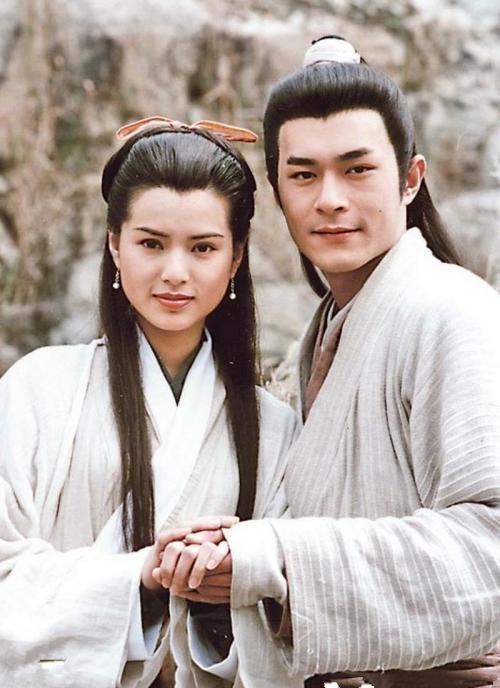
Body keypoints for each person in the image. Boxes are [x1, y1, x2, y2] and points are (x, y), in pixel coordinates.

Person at [157, 37, 500, 687]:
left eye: (357, 169)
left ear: (410, 178)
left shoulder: (453, 311)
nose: (330, 199)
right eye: (304, 174)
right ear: (277, 192)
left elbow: (491, 545)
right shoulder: (323, 337)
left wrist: (274, 556)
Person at [0, 118, 297, 687]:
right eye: (151, 244)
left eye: (203, 247)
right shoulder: (38, 387)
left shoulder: (274, 427)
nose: (175, 273)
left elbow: (293, 607)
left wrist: (227, 579)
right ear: (115, 244)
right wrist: (142, 574)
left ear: (236, 257)